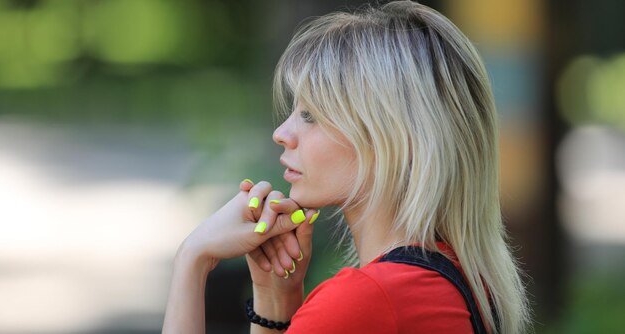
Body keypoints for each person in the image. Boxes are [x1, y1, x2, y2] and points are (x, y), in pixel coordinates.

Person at [162, 1, 531, 333]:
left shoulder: (369, 298)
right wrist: (275, 300)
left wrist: (193, 259)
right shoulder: (458, 280)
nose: (282, 133)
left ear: (395, 140)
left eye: (311, 115)